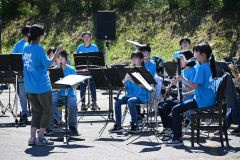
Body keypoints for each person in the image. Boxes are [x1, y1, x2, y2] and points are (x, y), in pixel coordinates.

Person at [165, 42, 217, 146]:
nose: (194, 54)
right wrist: (187, 93)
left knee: (176, 109)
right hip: (207, 98)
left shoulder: (202, 68)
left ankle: (177, 138)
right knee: (177, 107)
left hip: (202, 101)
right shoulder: (207, 66)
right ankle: (175, 135)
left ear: (203, 55)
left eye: (197, 52)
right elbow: (200, 88)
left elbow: (194, 85)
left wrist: (182, 78)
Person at [22, 24, 62, 146]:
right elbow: (48, 64)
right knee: (48, 110)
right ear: (39, 36)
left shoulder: (26, 48)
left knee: (36, 111)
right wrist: (57, 52)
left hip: (29, 86)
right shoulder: (39, 49)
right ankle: (41, 137)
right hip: (41, 86)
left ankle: (32, 138)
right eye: (43, 34)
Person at [158, 50, 196, 141]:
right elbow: (179, 88)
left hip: (188, 99)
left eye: (181, 59)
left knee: (167, 106)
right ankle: (167, 129)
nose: (179, 62)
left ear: (188, 60)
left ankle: (171, 130)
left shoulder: (193, 71)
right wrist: (172, 85)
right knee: (161, 104)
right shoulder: (182, 71)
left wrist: (180, 85)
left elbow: (193, 89)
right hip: (181, 97)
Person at [109, 51, 149, 133]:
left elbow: (146, 86)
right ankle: (118, 125)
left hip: (142, 96)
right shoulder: (129, 71)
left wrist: (133, 80)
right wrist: (123, 83)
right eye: (132, 58)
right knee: (118, 102)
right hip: (130, 95)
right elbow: (125, 87)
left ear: (141, 59)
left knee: (131, 101)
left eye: (136, 58)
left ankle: (135, 124)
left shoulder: (144, 71)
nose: (134, 60)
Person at [51, 50, 79, 135]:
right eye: (58, 58)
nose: (60, 60)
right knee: (52, 100)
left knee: (72, 103)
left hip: (69, 94)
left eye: (62, 58)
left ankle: (72, 126)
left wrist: (72, 83)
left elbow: (76, 86)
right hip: (57, 94)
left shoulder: (71, 70)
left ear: (66, 59)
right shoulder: (54, 70)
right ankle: (55, 124)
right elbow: (51, 86)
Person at [11, 25, 31, 123]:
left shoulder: (35, 44)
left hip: (32, 75)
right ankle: (24, 113)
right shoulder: (18, 45)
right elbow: (12, 59)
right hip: (21, 74)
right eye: (29, 34)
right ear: (24, 35)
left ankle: (37, 115)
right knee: (22, 95)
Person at [76, 31, 99, 111]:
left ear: (91, 37)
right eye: (84, 37)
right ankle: (83, 103)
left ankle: (94, 103)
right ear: (82, 38)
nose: (86, 38)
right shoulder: (79, 47)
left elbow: (97, 59)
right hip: (83, 71)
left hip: (92, 71)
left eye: (88, 37)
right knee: (82, 87)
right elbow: (77, 60)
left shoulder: (94, 47)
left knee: (93, 87)